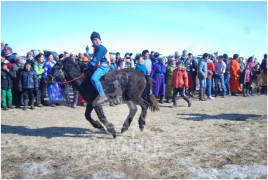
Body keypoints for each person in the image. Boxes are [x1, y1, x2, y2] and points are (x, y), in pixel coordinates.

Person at [86, 31, 110, 106]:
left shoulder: (101, 48)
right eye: (93, 40)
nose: (95, 41)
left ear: (99, 39)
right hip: (99, 66)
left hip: (104, 66)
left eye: (96, 39)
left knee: (94, 78)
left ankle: (103, 96)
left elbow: (96, 59)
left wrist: (87, 65)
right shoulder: (96, 48)